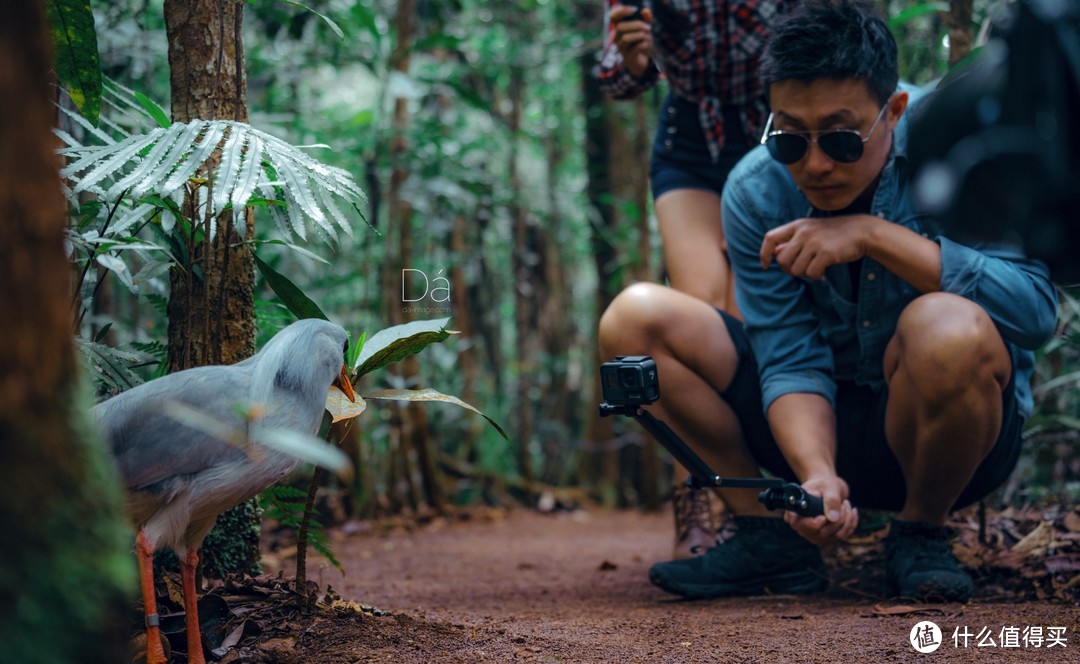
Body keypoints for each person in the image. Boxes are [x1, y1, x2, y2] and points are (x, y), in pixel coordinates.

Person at [598, 0, 1058, 602]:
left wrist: (874, 236)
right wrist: (816, 474)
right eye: (791, 139)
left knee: (948, 324)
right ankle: (770, 539)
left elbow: (1034, 312)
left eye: (841, 140)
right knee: (634, 319)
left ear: (893, 111)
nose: (814, 165)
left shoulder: (956, 149)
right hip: (824, 431)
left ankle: (920, 532)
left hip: (946, 436)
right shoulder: (756, 189)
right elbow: (788, 357)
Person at [599, 0, 796, 560]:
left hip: (781, 128)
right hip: (690, 137)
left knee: (756, 311)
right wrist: (636, 61)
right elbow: (614, 75)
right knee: (702, 311)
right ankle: (716, 495)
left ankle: (795, 489)